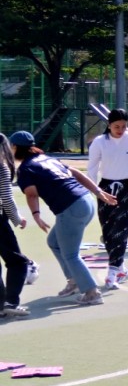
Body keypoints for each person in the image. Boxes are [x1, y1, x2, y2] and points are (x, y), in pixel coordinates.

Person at [13, 130, 114, 306]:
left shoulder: (26, 169)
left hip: (71, 207)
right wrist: (97, 192)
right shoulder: (48, 159)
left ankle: (92, 292)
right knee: (54, 242)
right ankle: (74, 280)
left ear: (15, 148)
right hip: (86, 201)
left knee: (71, 254)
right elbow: (77, 173)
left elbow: (31, 195)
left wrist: (36, 215)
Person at [87, 108, 128, 291]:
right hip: (106, 189)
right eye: (117, 126)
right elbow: (91, 168)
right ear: (108, 125)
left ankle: (112, 272)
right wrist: (94, 190)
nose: (121, 130)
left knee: (121, 229)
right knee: (107, 231)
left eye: (124, 126)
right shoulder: (99, 142)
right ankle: (121, 267)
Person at [0, 133, 34, 318]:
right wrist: (17, 219)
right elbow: (6, 197)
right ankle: (11, 301)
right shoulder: (2, 167)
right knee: (17, 262)